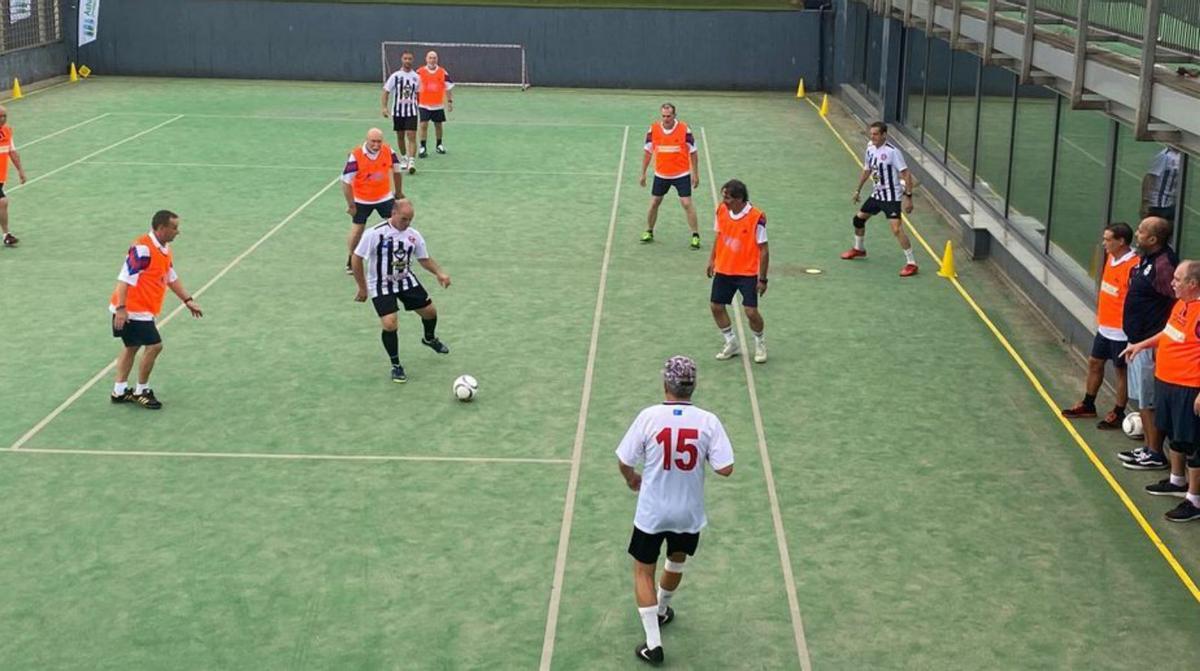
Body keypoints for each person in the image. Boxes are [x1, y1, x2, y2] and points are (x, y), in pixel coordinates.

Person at [615, 355, 734, 665]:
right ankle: (662, 609)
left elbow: (625, 460)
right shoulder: (708, 421)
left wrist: (631, 479)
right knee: (676, 560)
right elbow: (725, 468)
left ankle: (653, 644)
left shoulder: (649, 417)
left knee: (643, 571)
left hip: (652, 513)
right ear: (693, 386)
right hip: (688, 513)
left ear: (665, 383)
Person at [1121, 260, 1200, 522]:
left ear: (1192, 284)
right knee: (1176, 436)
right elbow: (1168, 333)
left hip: (1189, 387)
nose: (1172, 283)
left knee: (1193, 444)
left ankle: (1194, 500)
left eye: (1177, 279)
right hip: (1167, 382)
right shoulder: (1181, 304)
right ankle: (1177, 481)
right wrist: (1141, 345)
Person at [108, 210, 204, 409]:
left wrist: (187, 300)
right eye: (174, 228)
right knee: (154, 346)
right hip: (132, 310)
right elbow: (124, 279)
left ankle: (119, 391)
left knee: (132, 346)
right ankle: (141, 391)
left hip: (142, 309)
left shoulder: (165, 249)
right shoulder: (143, 250)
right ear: (161, 228)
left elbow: (170, 276)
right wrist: (121, 308)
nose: (178, 232)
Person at [351, 198, 451, 383]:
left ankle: (429, 339)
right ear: (393, 213)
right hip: (381, 284)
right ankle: (396, 365)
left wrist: (439, 273)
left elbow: (424, 258)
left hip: (405, 279)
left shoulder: (413, 235)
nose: (407, 223)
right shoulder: (374, 233)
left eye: (410, 219)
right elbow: (356, 259)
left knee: (430, 312)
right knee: (390, 323)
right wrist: (362, 287)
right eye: (404, 219)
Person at [1061, 223, 1139, 430]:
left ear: (1121, 241)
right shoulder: (1110, 257)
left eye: (1108, 239)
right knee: (1095, 362)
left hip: (1121, 332)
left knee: (1120, 371)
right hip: (1105, 327)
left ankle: (1119, 412)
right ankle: (1088, 404)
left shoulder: (1133, 267)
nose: (1104, 243)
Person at [1117, 216, 1178, 470]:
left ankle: (1155, 453)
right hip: (1137, 342)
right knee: (1142, 400)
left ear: (1153, 239)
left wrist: (1159, 337)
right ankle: (1147, 448)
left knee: (1149, 400)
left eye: (1141, 231)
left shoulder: (1164, 265)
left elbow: (1178, 301)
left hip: (1150, 344)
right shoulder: (1147, 259)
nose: (1137, 234)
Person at [841, 121, 918, 277]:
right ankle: (859, 249)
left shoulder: (892, 152)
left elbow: (906, 174)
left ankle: (912, 263)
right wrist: (858, 190)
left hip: (891, 197)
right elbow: (867, 170)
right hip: (877, 195)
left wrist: (908, 197)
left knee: (897, 229)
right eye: (871, 134)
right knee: (858, 220)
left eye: (876, 134)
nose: (872, 136)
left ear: (884, 135)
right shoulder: (870, 149)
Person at [707, 179, 769, 363]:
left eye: (728, 198)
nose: (724, 201)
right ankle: (731, 341)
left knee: (750, 312)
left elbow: (764, 250)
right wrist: (712, 259)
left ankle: (760, 342)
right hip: (724, 269)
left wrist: (763, 279)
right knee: (716, 306)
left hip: (747, 273)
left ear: (740, 198)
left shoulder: (756, 217)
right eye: (723, 197)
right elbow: (719, 235)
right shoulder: (721, 210)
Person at [638, 103, 701, 249]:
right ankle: (649, 231)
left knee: (686, 203)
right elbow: (647, 152)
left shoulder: (685, 129)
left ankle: (695, 235)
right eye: (663, 116)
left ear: (674, 115)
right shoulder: (653, 129)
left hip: (681, 174)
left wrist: (695, 174)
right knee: (654, 202)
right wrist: (643, 173)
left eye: (669, 116)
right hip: (661, 174)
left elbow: (693, 152)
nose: (666, 119)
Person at [342, 128, 403, 274]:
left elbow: (397, 170)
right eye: (373, 141)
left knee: (397, 225)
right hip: (361, 199)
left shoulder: (388, 151)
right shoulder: (356, 156)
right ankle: (352, 258)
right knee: (357, 230)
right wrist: (351, 204)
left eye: (379, 142)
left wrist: (398, 192)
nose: (376, 145)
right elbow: (345, 182)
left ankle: (398, 257)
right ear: (367, 140)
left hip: (384, 197)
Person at [381, 50, 421, 176]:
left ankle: (412, 161)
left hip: (411, 111)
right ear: (402, 60)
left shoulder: (416, 77)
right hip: (398, 112)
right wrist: (384, 107)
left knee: (411, 135)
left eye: (409, 59)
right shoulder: (395, 76)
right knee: (400, 136)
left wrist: (418, 106)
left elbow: (418, 94)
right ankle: (404, 157)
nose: (407, 61)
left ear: (412, 60)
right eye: (405, 58)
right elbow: (386, 91)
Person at [416, 51, 454, 158]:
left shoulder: (443, 72)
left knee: (438, 125)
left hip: (438, 105)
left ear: (437, 59)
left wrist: (449, 102)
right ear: (426, 59)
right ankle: (423, 147)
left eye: (434, 58)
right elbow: (415, 87)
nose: (432, 60)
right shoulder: (419, 72)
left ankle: (439, 145)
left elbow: (448, 87)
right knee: (423, 125)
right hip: (424, 104)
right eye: (430, 58)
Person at [0, 105, 28, 247]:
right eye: (0, 116)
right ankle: (6, 235)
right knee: (3, 202)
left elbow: (12, 152)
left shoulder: (7, 131)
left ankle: (6, 235)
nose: (3, 119)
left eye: (4, 116)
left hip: (1, 177)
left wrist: (20, 171)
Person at [1142, 147, 1181, 221]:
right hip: (1157, 205)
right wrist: (1145, 202)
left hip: (1171, 204)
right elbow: (1149, 177)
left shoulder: (1181, 156)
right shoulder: (1164, 156)